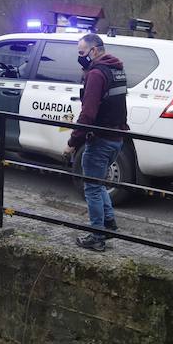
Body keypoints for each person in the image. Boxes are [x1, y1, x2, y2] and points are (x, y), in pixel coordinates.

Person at [62, 33, 129, 251]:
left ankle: (97, 236)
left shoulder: (96, 75)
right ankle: (109, 224)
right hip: (116, 138)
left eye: (82, 53)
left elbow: (88, 114)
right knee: (97, 183)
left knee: (91, 186)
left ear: (95, 50)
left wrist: (72, 142)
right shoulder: (117, 70)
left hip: (100, 140)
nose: (80, 57)